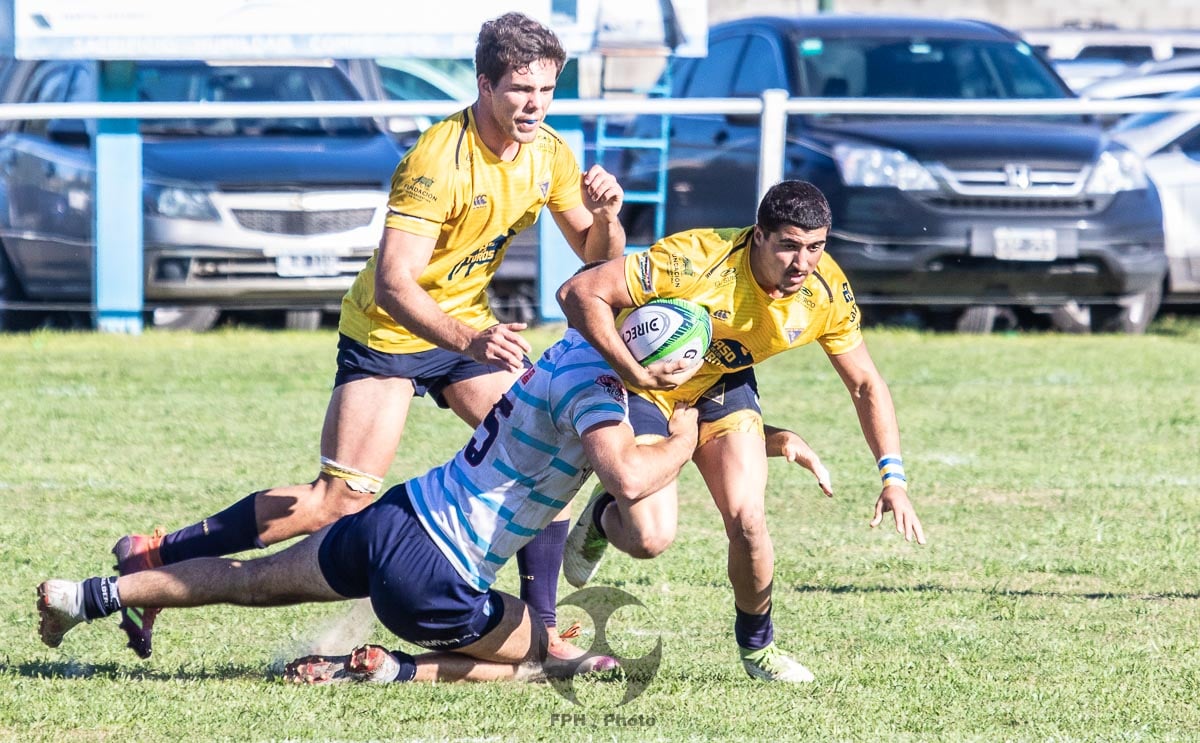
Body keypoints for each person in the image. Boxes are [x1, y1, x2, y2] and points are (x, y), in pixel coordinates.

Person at [108, 11, 626, 665]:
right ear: (485, 83)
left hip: (467, 330)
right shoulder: (437, 159)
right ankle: (159, 553)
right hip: (391, 331)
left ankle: (546, 631)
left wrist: (607, 216)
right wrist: (470, 340)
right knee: (336, 499)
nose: (535, 104)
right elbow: (393, 284)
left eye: (547, 90)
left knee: (546, 442)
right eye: (521, 88)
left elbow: (595, 255)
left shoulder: (549, 152)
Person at [38, 322, 700, 685]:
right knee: (541, 655)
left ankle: (87, 594)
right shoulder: (598, 397)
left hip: (398, 514)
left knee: (250, 579)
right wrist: (687, 432)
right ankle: (394, 669)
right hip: (435, 577)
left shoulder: (576, 344)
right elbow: (634, 479)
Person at [555, 179, 927, 683]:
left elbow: (865, 384)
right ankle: (603, 514)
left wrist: (894, 478)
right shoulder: (694, 258)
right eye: (789, 246)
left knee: (749, 521)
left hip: (722, 385)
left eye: (815, 248)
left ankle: (758, 649)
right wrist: (637, 372)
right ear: (758, 236)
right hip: (643, 383)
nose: (802, 264)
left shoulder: (824, 292)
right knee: (649, 539)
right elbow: (578, 292)